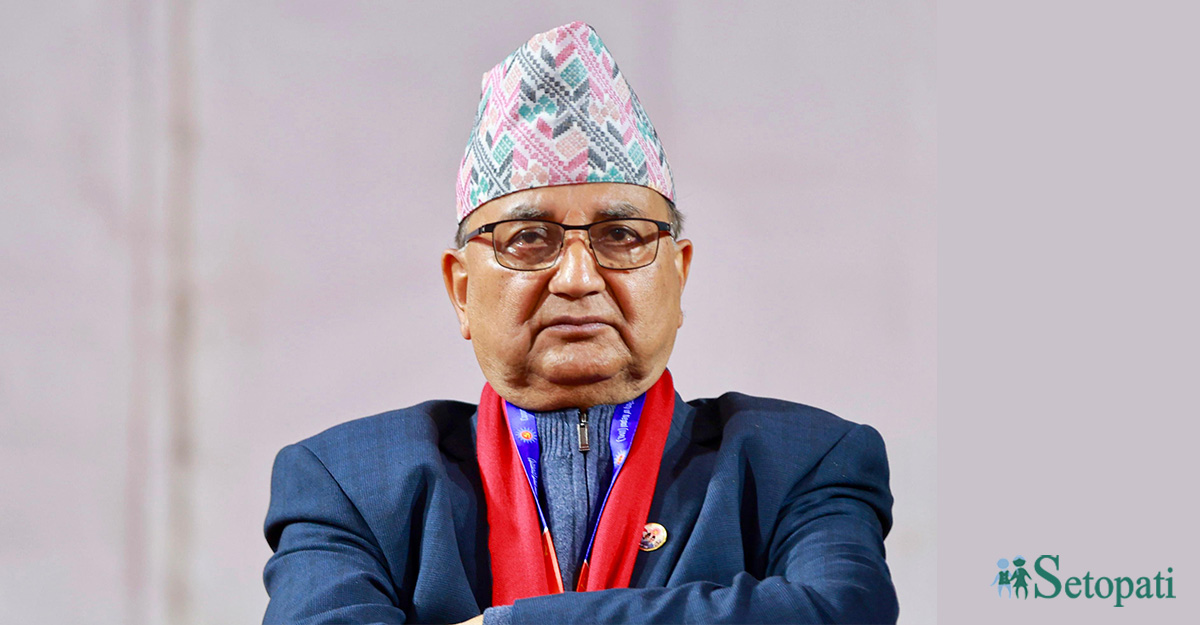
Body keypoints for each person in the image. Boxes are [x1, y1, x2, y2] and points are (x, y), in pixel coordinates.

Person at [263, 21, 898, 625]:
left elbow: (842, 611)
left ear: (679, 276)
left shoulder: (800, 460)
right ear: (462, 290)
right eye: (527, 238)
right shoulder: (350, 481)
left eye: (621, 235)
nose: (576, 277)